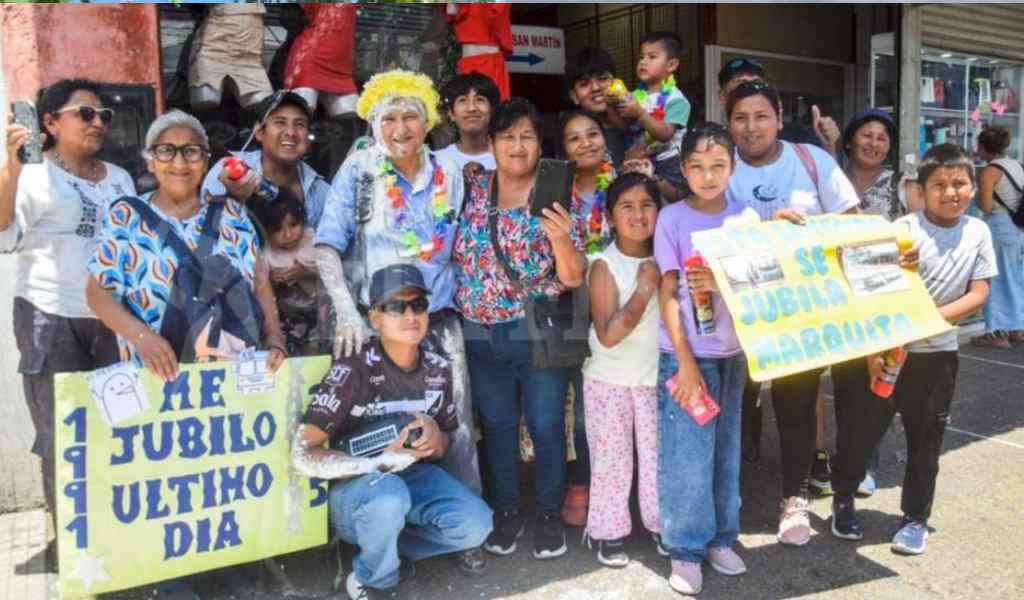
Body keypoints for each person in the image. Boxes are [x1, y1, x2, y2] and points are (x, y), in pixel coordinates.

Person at [86, 110, 286, 600]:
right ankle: (168, 577)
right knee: (163, 478)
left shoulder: (235, 216)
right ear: (150, 160)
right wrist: (142, 337)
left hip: (226, 381)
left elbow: (260, 285)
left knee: (224, 473)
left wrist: (276, 337)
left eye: (192, 150)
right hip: (158, 374)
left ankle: (230, 568)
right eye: (167, 151)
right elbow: (97, 293)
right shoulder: (125, 215)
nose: (180, 161)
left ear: (207, 161)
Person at [314, 70, 480, 496]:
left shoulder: (451, 173)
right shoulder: (361, 170)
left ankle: (462, 518)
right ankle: (380, 522)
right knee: (377, 426)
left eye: (409, 117)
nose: (399, 128)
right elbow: (327, 245)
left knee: (454, 422)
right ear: (372, 124)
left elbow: (464, 245)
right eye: (388, 119)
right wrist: (346, 310)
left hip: (440, 320)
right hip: (380, 324)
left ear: (427, 125)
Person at [829, 144, 996, 555]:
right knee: (861, 432)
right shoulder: (902, 229)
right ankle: (843, 497)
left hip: (938, 357)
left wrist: (930, 319)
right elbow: (876, 291)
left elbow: (980, 292)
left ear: (973, 188)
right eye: (939, 185)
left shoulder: (979, 231)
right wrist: (874, 353)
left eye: (960, 183)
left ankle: (915, 518)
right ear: (919, 190)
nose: (950, 192)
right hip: (888, 353)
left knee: (926, 439)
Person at [291, 264, 492, 600]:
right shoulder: (353, 369)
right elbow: (302, 453)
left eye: (418, 305)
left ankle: (387, 547)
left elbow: (444, 444)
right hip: (357, 489)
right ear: (374, 319)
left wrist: (433, 436)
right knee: (388, 496)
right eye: (396, 306)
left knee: (476, 524)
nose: (410, 315)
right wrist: (377, 465)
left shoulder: (439, 370)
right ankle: (373, 580)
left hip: (410, 479)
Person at [0, 78, 133, 560]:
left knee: (112, 423)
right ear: (50, 123)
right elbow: (3, 233)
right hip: (49, 317)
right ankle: (73, 543)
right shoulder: (34, 176)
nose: (98, 123)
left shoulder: (119, 178)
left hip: (110, 319)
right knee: (62, 432)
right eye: (85, 114)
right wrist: (10, 169)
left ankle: (111, 530)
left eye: (104, 117)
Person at [725, 80, 859, 547]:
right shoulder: (721, 167)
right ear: (729, 125)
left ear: (779, 119)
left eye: (761, 116)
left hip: (800, 317)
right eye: (740, 118)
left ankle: (794, 498)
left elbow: (851, 223)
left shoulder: (812, 161)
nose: (751, 126)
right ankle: (729, 496)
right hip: (735, 318)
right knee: (735, 406)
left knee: (796, 405)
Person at [454, 98, 587, 560]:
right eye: (507, 136)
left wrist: (560, 236)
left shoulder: (556, 194)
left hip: (536, 330)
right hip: (478, 330)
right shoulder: (470, 188)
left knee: (548, 424)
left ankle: (549, 515)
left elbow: (573, 276)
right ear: (490, 144)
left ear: (539, 145)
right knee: (497, 425)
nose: (516, 145)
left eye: (526, 136)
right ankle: (506, 513)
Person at [656, 124, 758, 595]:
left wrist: (723, 284)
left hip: (734, 354)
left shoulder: (747, 218)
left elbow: (761, 284)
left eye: (718, 165)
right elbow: (668, 291)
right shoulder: (673, 218)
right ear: (684, 169)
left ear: (733, 168)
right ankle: (686, 549)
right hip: (687, 356)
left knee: (725, 450)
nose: (708, 174)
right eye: (697, 166)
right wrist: (685, 361)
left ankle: (721, 539)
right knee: (686, 456)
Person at [833, 108, 917, 497]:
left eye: (882, 138)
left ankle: (868, 463)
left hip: (884, 296)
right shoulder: (832, 179)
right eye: (866, 135)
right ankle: (845, 459)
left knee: (879, 383)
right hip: (838, 297)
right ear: (850, 140)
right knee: (845, 381)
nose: (873, 143)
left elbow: (920, 229)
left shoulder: (900, 184)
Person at [582, 172, 662, 567]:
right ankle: (609, 532)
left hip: (656, 377)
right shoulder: (604, 266)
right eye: (626, 207)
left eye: (647, 204)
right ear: (611, 217)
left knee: (658, 458)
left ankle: (662, 524)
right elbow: (610, 334)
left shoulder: (668, 256)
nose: (638, 214)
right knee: (612, 459)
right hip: (609, 379)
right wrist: (645, 288)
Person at [558, 109, 619, 526]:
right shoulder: (553, 191)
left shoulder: (624, 186)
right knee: (581, 403)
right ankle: (581, 479)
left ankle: (619, 483)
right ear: (563, 149)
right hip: (569, 311)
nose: (585, 143)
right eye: (574, 138)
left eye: (592, 134)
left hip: (619, 309)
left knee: (618, 400)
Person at [202, 90, 329, 228]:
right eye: (280, 122)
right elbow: (207, 235)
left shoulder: (322, 192)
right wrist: (234, 200)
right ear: (259, 132)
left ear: (308, 138)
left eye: (299, 124)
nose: (291, 132)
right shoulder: (228, 168)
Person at [249, 186, 324, 356]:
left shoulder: (314, 239)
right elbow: (262, 293)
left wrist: (307, 272)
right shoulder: (265, 253)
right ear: (266, 232)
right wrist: (272, 281)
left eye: (293, 225)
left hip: (320, 313)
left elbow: (333, 272)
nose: (288, 234)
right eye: (277, 230)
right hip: (289, 318)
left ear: (303, 221)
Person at [615, 31, 691, 200]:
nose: (643, 62)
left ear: (671, 65)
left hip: (668, 164)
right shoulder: (635, 95)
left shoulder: (676, 100)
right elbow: (621, 125)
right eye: (641, 57)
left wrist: (640, 113)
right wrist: (610, 104)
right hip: (638, 161)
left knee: (670, 204)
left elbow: (665, 134)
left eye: (652, 57)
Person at [716, 57, 841, 158]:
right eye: (741, 83)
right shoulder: (713, 143)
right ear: (722, 96)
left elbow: (826, 178)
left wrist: (829, 145)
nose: (749, 89)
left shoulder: (796, 137)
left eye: (756, 83)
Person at [969, 127, 1024, 347]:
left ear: (983, 147)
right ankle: (1017, 328)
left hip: (1000, 228)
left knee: (994, 278)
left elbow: (986, 205)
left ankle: (996, 332)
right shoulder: (1017, 165)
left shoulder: (991, 171)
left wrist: (974, 196)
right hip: (1018, 228)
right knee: (1016, 278)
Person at [565, 47, 629, 168]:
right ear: (574, 96)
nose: (595, 88)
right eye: (584, 84)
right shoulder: (572, 138)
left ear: (617, 82)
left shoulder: (640, 122)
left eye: (603, 79)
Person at [437, 71, 499, 171]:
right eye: (462, 100)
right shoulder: (438, 161)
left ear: (492, 111)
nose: (471, 108)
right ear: (451, 114)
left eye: (480, 100)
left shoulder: (508, 158)